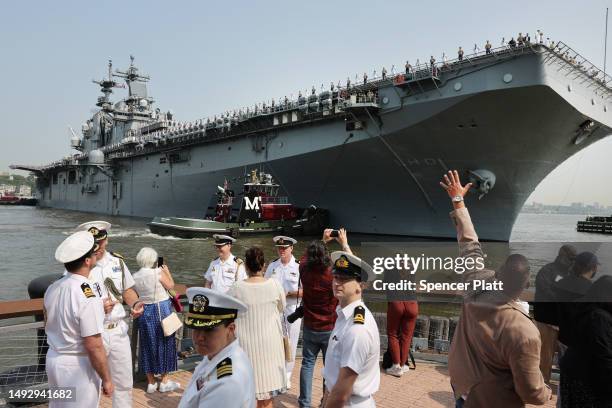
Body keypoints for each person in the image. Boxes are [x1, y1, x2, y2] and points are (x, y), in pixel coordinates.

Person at [440, 170, 551, 407]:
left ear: (498, 274)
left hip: (462, 387)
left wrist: (458, 200)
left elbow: (469, 245)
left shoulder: (476, 282)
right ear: (526, 286)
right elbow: (531, 392)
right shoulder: (525, 332)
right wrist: (547, 393)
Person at [76, 221, 143, 408]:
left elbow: (127, 290)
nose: (97, 248)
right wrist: (98, 307)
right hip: (94, 332)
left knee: (123, 383)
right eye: (93, 244)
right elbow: (74, 298)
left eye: (100, 242)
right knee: (90, 384)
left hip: (119, 331)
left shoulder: (117, 261)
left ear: (106, 240)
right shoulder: (79, 266)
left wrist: (135, 303)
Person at [44, 231, 113, 407]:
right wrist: (106, 379)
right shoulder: (87, 293)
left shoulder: (53, 287)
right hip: (77, 366)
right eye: (92, 253)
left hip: (54, 359)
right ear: (88, 261)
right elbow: (94, 345)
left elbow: (51, 322)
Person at [228, 247, 286, 408]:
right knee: (267, 397)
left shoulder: (236, 288)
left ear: (246, 266)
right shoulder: (275, 285)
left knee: (246, 396)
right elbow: (282, 307)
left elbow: (226, 312)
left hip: (245, 346)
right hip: (270, 346)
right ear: (264, 265)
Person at [178, 287, 255, 408]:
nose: (199, 337)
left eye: (209, 329)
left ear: (230, 329)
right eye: (195, 327)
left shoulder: (227, 382)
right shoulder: (217, 354)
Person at [321, 251, 380, 408]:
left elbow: (341, 393)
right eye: (335, 277)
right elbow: (334, 380)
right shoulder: (345, 316)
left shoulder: (357, 328)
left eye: (345, 279)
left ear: (360, 286)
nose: (337, 282)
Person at [298, 229, 348, 408]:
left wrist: (322, 240)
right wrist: (343, 243)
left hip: (310, 325)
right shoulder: (331, 274)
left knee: (307, 365)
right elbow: (353, 269)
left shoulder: (303, 269)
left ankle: (304, 403)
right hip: (329, 327)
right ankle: (324, 402)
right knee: (330, 369)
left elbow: (305, 258)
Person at [558, 276, 612, 407]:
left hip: (573, 374)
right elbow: (604, 356)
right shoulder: (599, 318)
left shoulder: (584, 310)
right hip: (588, 381)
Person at [132, 247, 180, 393]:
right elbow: (171, 285)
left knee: (147, 345)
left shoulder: (135, 276)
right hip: (161, 309)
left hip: (145, 311)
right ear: (153, 260)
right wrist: (166, 270)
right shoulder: (157, 272)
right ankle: (164, 381)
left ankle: (151, 382)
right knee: (165, 343)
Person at [532, 244, 576, 384]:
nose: (572, 262)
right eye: (570, 258)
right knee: (544, 357)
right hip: (546, 321)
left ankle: (565, 387)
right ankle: (541, 386)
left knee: (568, 359)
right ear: (562, 256)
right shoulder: (547, 271)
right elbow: (545, 291)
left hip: (565, 323)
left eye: (574, 259)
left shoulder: (572, 274)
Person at [264, 236, 302, 388]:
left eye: (284, 248)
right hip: (275, 310)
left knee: (290, 343)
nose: (282, 251)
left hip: (293, 310)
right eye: (279, 248)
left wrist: (288, 293)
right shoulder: (273, 265)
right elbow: (265, 284)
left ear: (291, 248)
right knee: (274, 341)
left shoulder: (299, 267)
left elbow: (306, 291)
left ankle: (287, 374)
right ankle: (275, 371)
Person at [384, 266, 418, 377]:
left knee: (393, 334)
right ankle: (403, 365)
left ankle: (396, 366)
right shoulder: (411, 272)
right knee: (406, 336)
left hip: (396, 301)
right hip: (412, 302)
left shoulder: (391, 271)